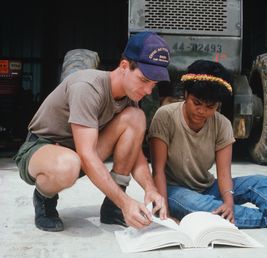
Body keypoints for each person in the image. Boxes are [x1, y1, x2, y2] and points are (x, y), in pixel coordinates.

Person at [148, 60, 267, 238]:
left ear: (218, 105)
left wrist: (229, 203)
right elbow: (158, 171)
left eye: (210, 106)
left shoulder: (222, 125)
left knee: (261, 182)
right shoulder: (165, 116)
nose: (202, 111)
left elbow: (224, 173)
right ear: (186, 95)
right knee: (196, 204)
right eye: (196, 103)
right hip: (173, 191)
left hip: (206, 187)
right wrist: (164, 211)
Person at [14, 31, 169, 232]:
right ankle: (44, 199)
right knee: (68, 164)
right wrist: (126, 203)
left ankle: (112, 208)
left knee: (136, 118)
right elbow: (87, 155)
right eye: (143, 80)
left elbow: (136, 153)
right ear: (124, 67)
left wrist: (150, 189)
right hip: (42, 149)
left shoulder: (131, 97)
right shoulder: (87, 87)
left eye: (153, 84)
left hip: (78, 153)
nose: (148, 90)